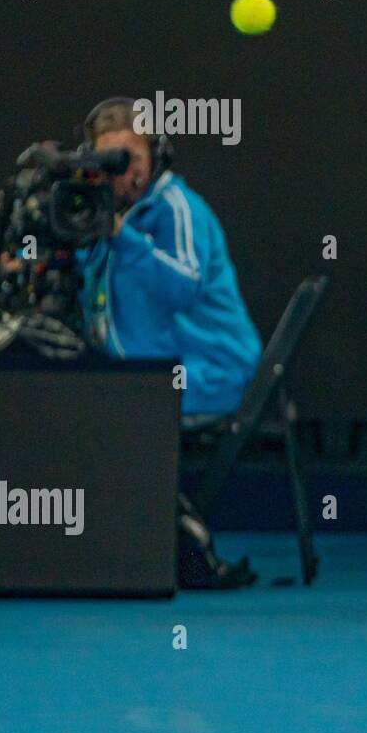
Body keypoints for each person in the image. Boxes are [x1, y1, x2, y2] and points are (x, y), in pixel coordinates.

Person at [81, 97, 262, 588]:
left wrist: (123, 237)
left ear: (155, 155)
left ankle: (182, 542)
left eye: (131, 159)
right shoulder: (105, 216)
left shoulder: (176, 208)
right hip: (147, 377)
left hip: (209, 373)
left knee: (119, 413)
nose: (122, 174)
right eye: (108, 161)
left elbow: (183, 286)